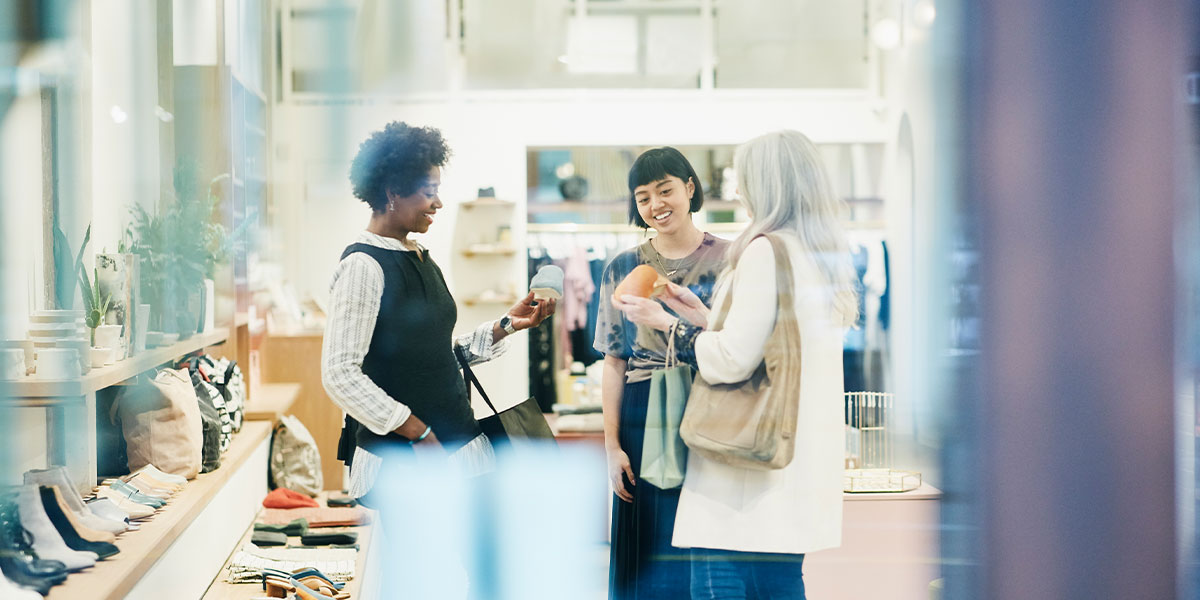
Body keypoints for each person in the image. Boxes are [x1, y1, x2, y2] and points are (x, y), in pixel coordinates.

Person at [615, 130, 857, 600]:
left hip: (742, 472)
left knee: (724, 585)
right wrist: (702, 315)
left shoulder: (766, 250)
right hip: (788, 463)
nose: (738, 190)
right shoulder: (815, 254)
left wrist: (665, 324)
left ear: (768, 183)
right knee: (780, 584)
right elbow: (773, 346)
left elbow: (730, 361)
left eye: (743, 179)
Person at [321, 121, 555, 505]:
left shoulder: (419, 256)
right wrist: (414, 431)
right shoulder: (364, 265)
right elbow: (340, 374)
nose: (438, 203)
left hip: (457, 452)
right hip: (407, 463)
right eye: (429, 192)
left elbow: (432, 356)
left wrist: (505, 326)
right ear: (393, 192)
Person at [594, 147, 731, 599]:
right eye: (644, 197)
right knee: (645, 542)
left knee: (707, 539)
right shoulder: (622, 267)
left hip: (711, 401)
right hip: (643, 409)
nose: (656, 205)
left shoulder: (730, 260)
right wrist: (612, 446)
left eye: (666, 190)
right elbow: (614, 361)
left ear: (690, 188)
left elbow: (738, 347)